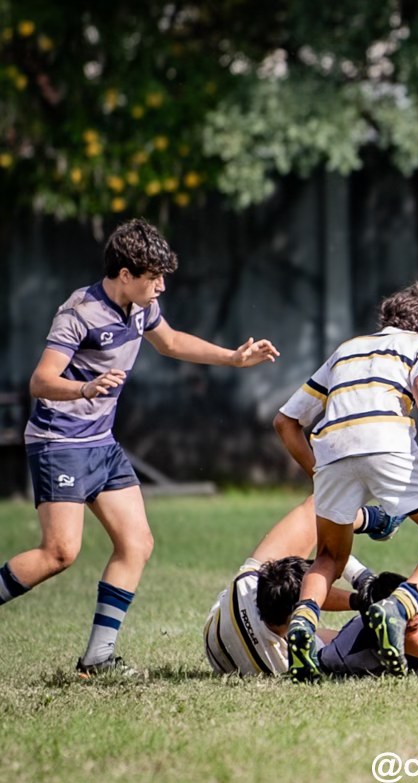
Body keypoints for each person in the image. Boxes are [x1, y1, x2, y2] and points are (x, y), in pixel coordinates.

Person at [0, 218, 280, 676]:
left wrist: (232, 357)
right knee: (59, 553)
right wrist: (86, 389)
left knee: (136, 543)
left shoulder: (139, 307)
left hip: (101, 443)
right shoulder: (79, 312)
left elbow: (169, 342)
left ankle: (97, 660)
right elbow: (40, 381)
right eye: (154, 278)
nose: (161, 287)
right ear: (125, 275)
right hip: (60, 442)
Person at [273, 282, 418, 682]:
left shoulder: (346, 349)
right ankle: (398, 607)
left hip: (331, 448)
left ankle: (301, 624)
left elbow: (285, 422)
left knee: (329, 557)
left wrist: (320, 472)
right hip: (386, 440)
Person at [204, 496, 404, 676]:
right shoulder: (284, 659)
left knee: (331, 636)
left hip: (225, 642)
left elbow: (302, 597)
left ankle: (375, 524)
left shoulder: (247, 587)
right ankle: (379, 520)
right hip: (230, 637)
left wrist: (359, 598)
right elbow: (310, 596)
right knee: (323, 505)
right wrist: (362, 580)